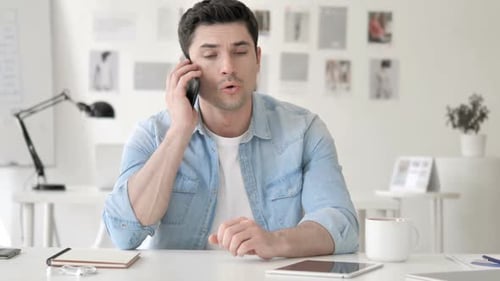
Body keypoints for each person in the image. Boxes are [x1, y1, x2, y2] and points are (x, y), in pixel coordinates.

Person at [103, 0, 358, 259]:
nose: (228, 67)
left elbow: (342, 224)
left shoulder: (304, 131)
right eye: (211, 55)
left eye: (240, 52)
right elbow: (123, 233)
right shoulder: (153, 134)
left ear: (258, 59)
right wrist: (180, 131)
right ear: (186, 67)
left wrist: (275, 242)